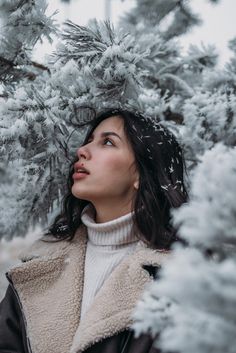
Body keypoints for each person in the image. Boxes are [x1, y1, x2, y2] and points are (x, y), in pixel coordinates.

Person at [0, 109, 188, 353]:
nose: (82, 150)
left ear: (141, 174)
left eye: (107, 142)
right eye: (89, 140)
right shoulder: (39, 265)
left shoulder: (178, 279)